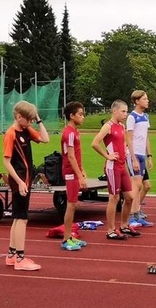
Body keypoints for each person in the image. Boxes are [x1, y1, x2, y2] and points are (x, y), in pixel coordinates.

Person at [3, 101, 50, 271]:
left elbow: (45, 139)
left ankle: (11, 255)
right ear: (18, 117)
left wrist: (38, 119)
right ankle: (20, 258)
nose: (31, 122)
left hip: (26, 179)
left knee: (18, 217)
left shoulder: (26, 130)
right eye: (28, 119)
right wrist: (20, 181)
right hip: (20, 180)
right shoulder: (11, 134)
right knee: (22, 218)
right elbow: (6, 162)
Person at [91, 99, 140, 240]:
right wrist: (107, 155)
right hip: (113, 167)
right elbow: (95, 143)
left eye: (126, 111)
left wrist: (125, 152)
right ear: (114, 111)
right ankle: (110, 230)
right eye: (123, 111)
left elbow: (122, 142)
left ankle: (124, 225)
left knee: (129, 197)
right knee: (114, 198)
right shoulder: (108, 126)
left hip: (122, 166)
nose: (125, 114)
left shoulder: (122, 126)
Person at [60, 101, 88, 251]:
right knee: (71, 205)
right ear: (71, 116)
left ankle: (69, 236)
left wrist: (82, 170)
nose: (83, 117)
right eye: (80, 114)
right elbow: (70, 156)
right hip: (70, 173)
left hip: (74, 171)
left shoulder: (75, 132)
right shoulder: (69, 133)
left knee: (73, 204)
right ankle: (66, 239)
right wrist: (80, 175)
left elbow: (76, 155)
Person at [126, 90, 154, 227]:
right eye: (144, 99)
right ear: (137, 101)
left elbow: (146, 137)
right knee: (136, 186)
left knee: (140, 186)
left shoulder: (146, 117)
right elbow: (129, 139)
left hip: (142, 154)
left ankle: (137, 216)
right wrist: (133, 158)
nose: (147, 101)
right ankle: (132, 217)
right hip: (134, 154)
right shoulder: (132, 117)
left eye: (147, 98)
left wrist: (149, 156)